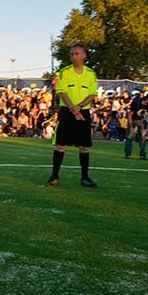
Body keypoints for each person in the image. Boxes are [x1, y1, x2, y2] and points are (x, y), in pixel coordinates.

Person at [45, 43, 98, 187]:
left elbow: (93, 94)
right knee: (60, 145)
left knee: (84, 146)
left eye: (77, 54)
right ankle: (54, 177)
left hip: (84, 112)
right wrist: (74, 110)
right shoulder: (64, 72)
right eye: (72, 54)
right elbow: (62, 92)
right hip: (67, 112)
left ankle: (85, 177)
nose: (74, 57)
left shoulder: (91, 74)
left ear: (84, 55)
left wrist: (79, 107)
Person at [125, 91, 148, 159]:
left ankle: (142, 155)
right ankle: (128, 154)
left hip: (142, 121)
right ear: (147, 99)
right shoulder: (137, 102)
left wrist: (146, 129)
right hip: (132, 120)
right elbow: (130, 114)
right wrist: (130, 127)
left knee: (143, 138)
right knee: (129, 137)